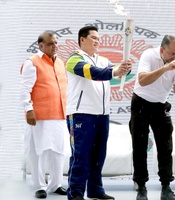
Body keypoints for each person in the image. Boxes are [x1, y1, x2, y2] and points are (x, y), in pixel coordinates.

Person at [65, 25, 132, 200]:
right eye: (93, 38)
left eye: (98, 38)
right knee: (81, 155)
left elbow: (114, 71)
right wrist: (115, 71)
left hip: (102, 114)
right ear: (82, 39)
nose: (97, 41)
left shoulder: (103, 60)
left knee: (98, 155)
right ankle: (75, 192)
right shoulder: (73, 59)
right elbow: (91, 72)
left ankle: (95, 189)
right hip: (80, 113)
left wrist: (125, 67)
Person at [129, 35, 175, 200]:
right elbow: (142, 80)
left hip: (160, 105)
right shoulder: (148, 55)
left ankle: (166, 187)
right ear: (162, 50)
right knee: (139, 146)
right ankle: (141, 187)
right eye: (171, 53)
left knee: (165, 146)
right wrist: (166, 67)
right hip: (140, 102)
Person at [20, 30, 68, 199]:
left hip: (60, 114)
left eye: (55, 43)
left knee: (58, 152)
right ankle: (40, 186)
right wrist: (29, 109)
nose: (54, 46)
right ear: (41, 46)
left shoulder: (60, 62)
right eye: (50, 44)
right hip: (39, 115)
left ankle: (56, 184)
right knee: (38, 151)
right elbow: (25, 89)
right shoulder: (32, 62)